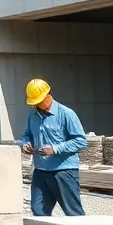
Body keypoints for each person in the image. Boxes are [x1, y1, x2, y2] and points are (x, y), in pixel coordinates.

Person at [18, 79, 87, 217]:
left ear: (49, 95)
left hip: (63, 171)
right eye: (34, 102)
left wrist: (55, 149)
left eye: (39, 100)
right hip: (41, 171)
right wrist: (25, 143)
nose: (37, 104)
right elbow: (26, 135)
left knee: (73, 213)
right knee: (38, 210)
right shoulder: (33, 115)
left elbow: (81, 141)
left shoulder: (66, 114)